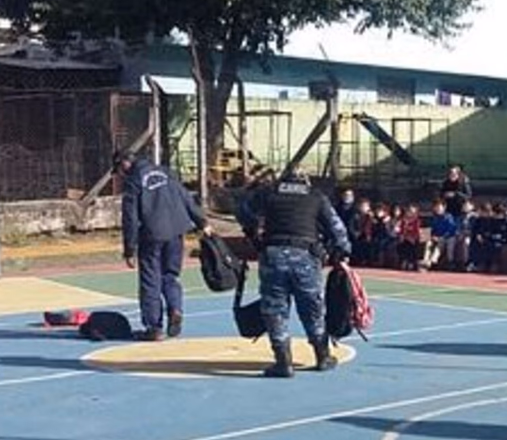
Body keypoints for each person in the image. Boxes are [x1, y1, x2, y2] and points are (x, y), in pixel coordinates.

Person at [237, 165, 351, 377]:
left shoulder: (269, 192)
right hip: (305, 258)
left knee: (274, 309)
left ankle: (283, 362)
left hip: (273, 257)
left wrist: (253, 233)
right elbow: (338, 229)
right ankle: (322, 356)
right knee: (312, 308)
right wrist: (342, 252)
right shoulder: (316, 196)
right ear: (305, 180)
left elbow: (243, 212)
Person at [115, 150, 212, 341]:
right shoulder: (166, 172)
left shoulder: (133, 182)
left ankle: (154, 327)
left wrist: (129, 249)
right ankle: (175, 307)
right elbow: (186, 198)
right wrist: (202, 222)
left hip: (152, 234)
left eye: (119, 170)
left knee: (150, 280)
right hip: (176, 231)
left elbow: (130, 218)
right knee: (170, 275)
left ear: (124, 164)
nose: (119, 175)